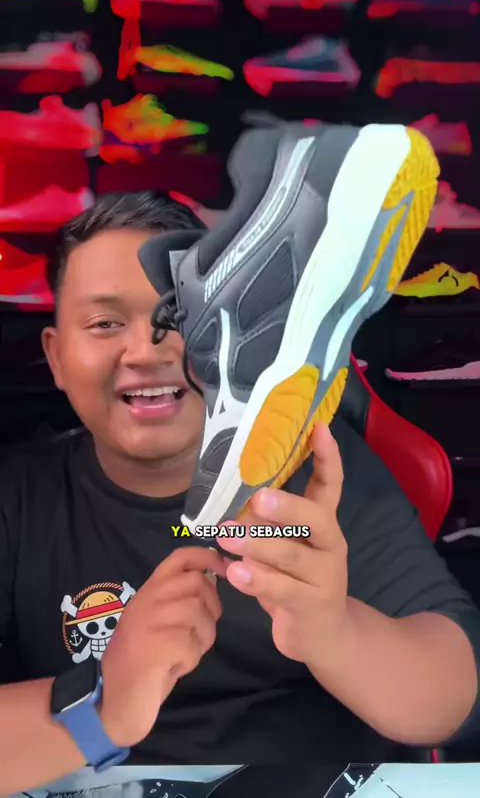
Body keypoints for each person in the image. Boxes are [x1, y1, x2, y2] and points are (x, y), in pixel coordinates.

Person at [0, 192, 479, 796]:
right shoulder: (18, 496)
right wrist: (99, 708)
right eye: (105, 324)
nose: (146, 351)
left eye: (178, 318)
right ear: (56, 357)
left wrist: (336, 633)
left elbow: (455, 700)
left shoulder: (318, 473)